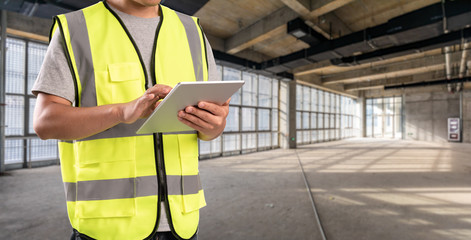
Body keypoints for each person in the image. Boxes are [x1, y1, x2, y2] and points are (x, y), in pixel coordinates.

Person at [32, 0, 228, 239]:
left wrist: (214, 126)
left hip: (183, 224)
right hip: (107, 226)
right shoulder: (75, 28)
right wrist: (120, 112)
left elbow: (210, 127)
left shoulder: (192, 31)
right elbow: (45, 122)